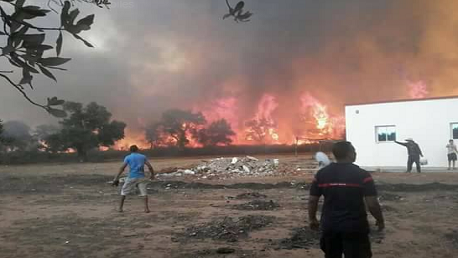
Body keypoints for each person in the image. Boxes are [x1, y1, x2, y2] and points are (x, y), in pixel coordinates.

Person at [309, 141, 384, 258]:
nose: (355, 154)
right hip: (355, 226)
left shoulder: (321, 174)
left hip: (330, 226)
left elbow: (312, 200)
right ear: (349, 154)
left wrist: (312, 219)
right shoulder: (362, 175)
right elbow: (372, 204)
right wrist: (380, 220)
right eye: (354, 151)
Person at [112, 145, 155, 213]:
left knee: (124, 191)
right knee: (144, 193)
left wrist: (116, 178)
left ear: (130, 150)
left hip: (131, 177)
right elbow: (150, 166)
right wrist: (152, 175)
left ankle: (120, 208)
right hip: (141, 177)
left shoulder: (128, 157)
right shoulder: (143, 156)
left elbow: (122, 168)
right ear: (137, 149)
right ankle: (146, 208)